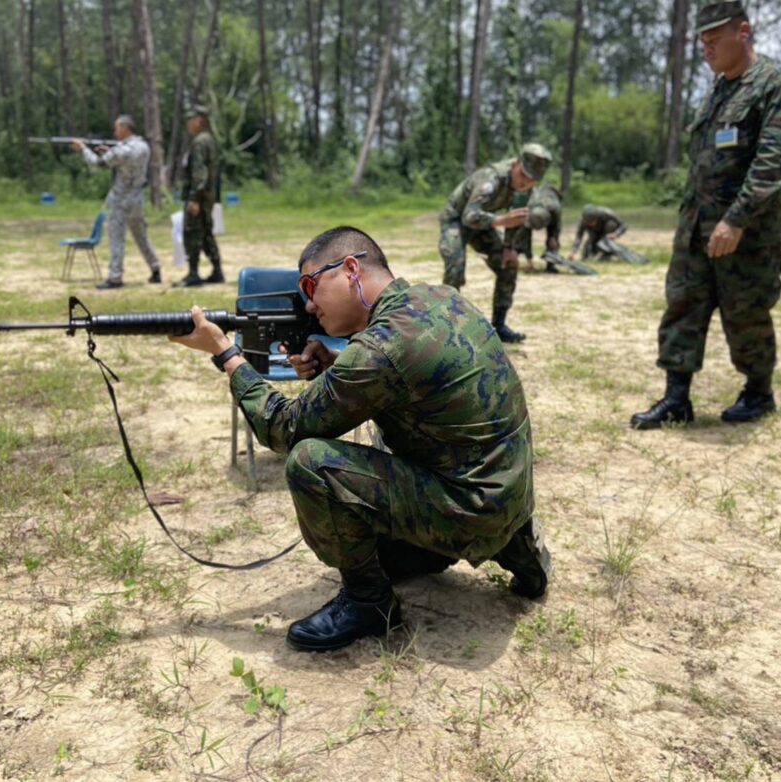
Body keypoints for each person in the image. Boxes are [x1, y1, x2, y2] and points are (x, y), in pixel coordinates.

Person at [170, 226, 551, 652]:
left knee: (311, 462)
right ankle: (512, 547)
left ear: (351, 269)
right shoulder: (439, 297)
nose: (309, 304)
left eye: (310, 286)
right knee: (391, 548)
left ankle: (369, 602)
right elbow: (408, 380)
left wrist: (226, 354)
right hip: (508, 494)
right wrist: (337, 364)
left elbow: (282, 428)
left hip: (470, 511)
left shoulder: (380, 349)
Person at [631, 1, 781, 429]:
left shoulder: (776, 84)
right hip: (696, 227)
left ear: (743, 33)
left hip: (747, 232)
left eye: (714, 40)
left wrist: (737, 219)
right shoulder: (717, 90)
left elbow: (774, 162)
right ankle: (676, 398)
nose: (706, 49)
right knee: (682, 306)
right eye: (702, 42)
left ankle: (759, 393)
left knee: (746, 313)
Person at [438, 143, 553, 343]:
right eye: (523, 175)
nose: (525, 183)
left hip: (485, 224)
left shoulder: (526, 190)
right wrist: (500, 221)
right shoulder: (491, 178)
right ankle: (448, 327)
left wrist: (509, 248)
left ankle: (499, 325)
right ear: (516, 164)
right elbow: (469, 216)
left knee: (509, 264)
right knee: (455, 266)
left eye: (532, 180)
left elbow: (516, 219)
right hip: (456, 220)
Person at [71, 115, 161, 289]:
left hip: (121, 199)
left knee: (116, 238)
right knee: (141, 236)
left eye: (117, 128)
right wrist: (109, 152)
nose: (115, 132)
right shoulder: (143, 146)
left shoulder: (121, 150)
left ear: (126, 128)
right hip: (137, 198)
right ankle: (155, 268)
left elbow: (97, 164)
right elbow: (123, 159)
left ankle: (115, 276)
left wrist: (83, 149)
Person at [176, 106, 223, 287]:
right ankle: (217, 270)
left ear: (198, 121)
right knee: (206, 233)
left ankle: (193, 273)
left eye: (190, 120)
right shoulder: (209, 140)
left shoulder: (199, 142)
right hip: (207, 196)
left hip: (199, 196)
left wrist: (194, 197)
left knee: (192, 232)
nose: (188, 124)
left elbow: (199, 172)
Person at [510, 184, 563, 273]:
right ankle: (513, 260)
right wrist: (529, 261)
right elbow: (526, 237)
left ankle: (551, 264)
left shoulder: (555, 209)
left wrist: (554, 237)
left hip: (551, 202)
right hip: (535, 207)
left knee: (552, 241)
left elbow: (557, 226)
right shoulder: (530, 207)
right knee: (521, 237)